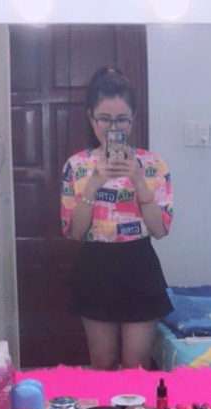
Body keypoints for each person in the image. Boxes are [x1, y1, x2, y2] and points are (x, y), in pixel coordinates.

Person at [60, 66, 174, 370]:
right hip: (95, 267)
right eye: (105, 119)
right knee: (103, 363)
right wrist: (93, 184)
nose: (113, 127)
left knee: (137, 366)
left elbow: (160, 229)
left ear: (133, 118)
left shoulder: (153, 164)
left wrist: (138, 180)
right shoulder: (77, 166)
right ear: (91, 118)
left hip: (140, 265)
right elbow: (74, 232)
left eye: (122, 119)